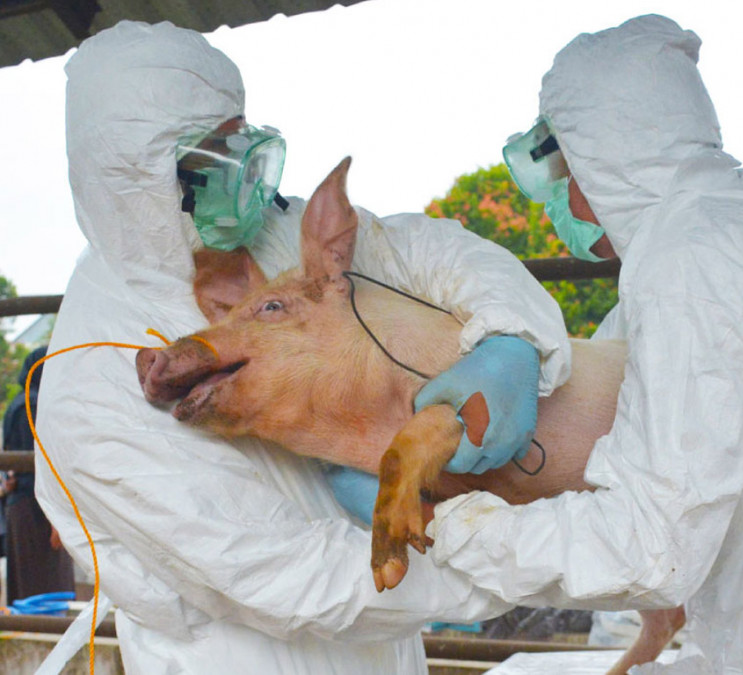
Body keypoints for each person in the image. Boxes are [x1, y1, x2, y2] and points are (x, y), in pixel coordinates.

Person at [34, 21, 571, 675]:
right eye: (212, 165)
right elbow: (286, 578)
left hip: (385, 650)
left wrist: (509, 336)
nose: (244, 188)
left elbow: (417, 250)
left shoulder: (264, 233)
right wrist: (541, 554)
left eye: (243, 152)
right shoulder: (91, 380)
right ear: (135, 180)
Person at [428, 14, 743, 674]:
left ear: (603, 160)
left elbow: (651, 545)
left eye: (562, 173)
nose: (559, 200)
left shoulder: (693, 258)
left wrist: (462, 528)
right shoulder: (735, 216)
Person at [2, 345, 75, 603]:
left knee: (28, 587)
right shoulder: (34, 405)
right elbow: (42, 466)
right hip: (38, 510)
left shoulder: (18, 404)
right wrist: (57, 520)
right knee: (46, 589)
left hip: (22, 507)